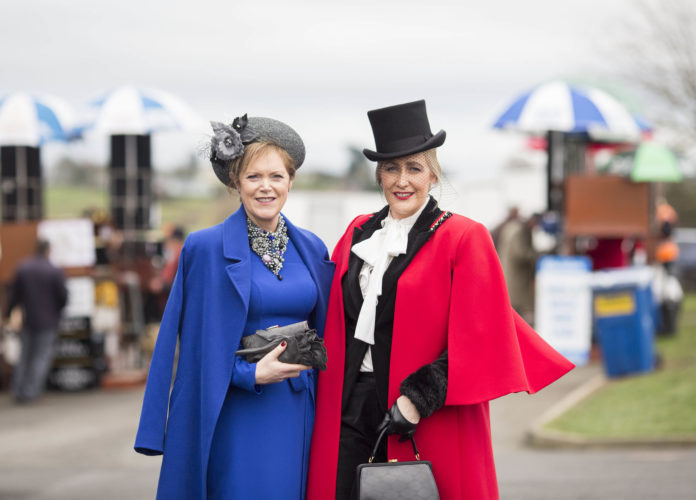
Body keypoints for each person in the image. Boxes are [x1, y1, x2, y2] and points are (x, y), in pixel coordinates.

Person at [306, 100, 574, 500]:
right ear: (379, 175)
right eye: (392, 169)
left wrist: (417, 399)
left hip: (422, 414)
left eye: (414, 168)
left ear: (433, 175)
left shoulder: (464, 237)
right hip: (349, 407)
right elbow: (332, 316)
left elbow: (481, 336)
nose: (402, 180)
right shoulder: (358, 232)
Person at [134, 114, 334, 499]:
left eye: (276, 176)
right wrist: (248, 375)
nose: (265, 187)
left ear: (290, 182)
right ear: (235, 182)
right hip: (236, 410)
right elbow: (187, 349)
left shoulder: (312, 247)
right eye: (253, 176)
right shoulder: (204, 248)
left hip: (298, 410)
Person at [3, 239, 68, 403]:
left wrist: (7, 313)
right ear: (48, 251)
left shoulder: (23, 267)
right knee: (40, 357)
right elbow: (63, 296)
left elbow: (14, 294)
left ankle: (18, 390)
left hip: (28, 318)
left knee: (24, 356)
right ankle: (31, 392)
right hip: (48, 320)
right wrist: (57, 312)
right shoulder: (54, 270)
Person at [497, 212, 539, 323]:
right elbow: (520, 253)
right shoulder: (520, 232)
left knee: (514, 306)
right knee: (517, 307)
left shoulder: (512, 227)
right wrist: (537, 255)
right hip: (516, 276)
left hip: (509, 272)